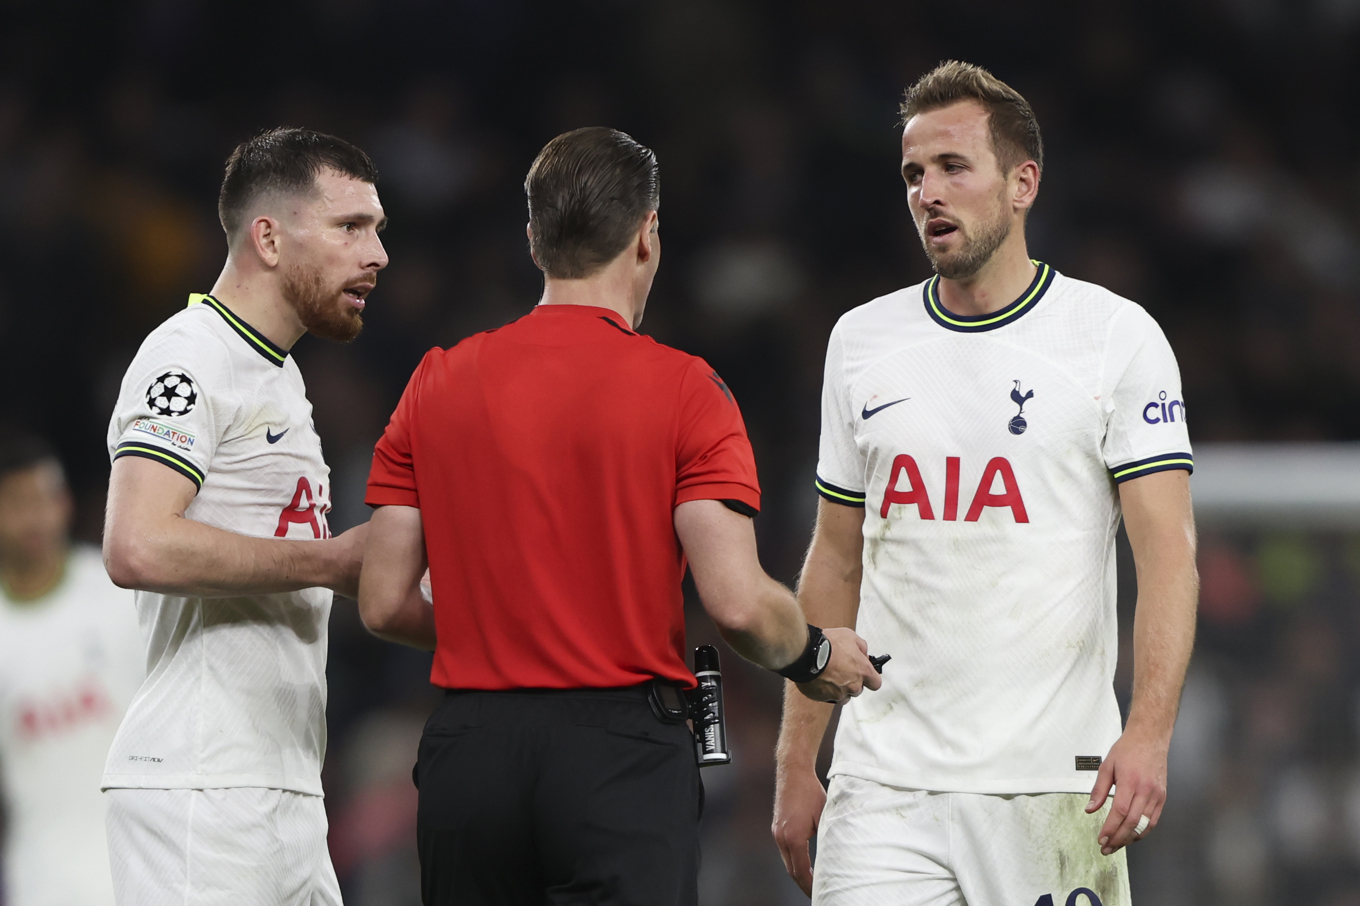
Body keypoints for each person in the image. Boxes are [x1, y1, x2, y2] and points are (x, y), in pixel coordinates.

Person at [358, 126, 883, 906]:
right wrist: (812, 655)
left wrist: (510, 625)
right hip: (619, 761)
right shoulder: (686, 392)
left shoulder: (435, 382)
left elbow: (382, 602)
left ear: (534, 240)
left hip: (471, 757)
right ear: (648, 236)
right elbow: (736, 604)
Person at [771, 62, 1198, 906]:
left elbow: (1168, 555)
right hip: (883, 788)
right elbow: (836, 562)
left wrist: (1149, 733)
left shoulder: (1113, 338)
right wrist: (796, 761)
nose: (928, 191)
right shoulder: (861, 342)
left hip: (1052, 785)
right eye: (913, 174)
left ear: (1021, 184)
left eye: (953, 168)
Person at [100, 126, 387, 906]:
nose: (377, 255)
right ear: (267, 236)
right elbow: (136, 544)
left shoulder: (280, 379)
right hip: (200, 790)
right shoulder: (187, 356)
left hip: (283, 789)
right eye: (350, 227)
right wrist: (331, 562)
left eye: (378, 230)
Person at [0, 431, 144, 906]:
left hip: (146, 868)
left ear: (64, 503)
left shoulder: (121, 591)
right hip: (43, 882)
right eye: (17, 502)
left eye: (46, 498)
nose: (35, 516)